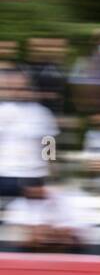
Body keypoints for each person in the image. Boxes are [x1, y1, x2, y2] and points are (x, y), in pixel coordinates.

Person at [0, 67, 59, 206]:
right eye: (12, 85)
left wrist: (51, 173)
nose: (17, 89)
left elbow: (48, 145)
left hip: (33, 177)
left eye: (21, 85)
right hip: (4, 175)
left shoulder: (42, 113)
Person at [3, 177, 95, 251]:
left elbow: (78, 233)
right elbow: (18, 237)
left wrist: (57, 233)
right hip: (30, 255)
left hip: (68, 253)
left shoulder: (67, 199)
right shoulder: (18, 205)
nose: (34, 193)